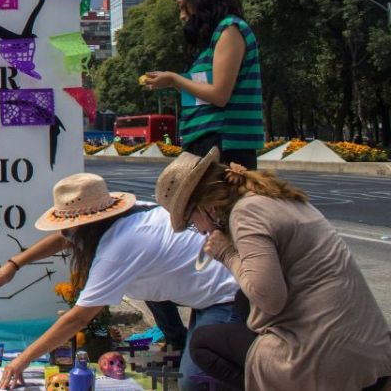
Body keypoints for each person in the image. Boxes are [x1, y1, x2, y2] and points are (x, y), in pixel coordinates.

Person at [156, 149, 391, 390]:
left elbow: (270, 299)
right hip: (371, 350)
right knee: (241, 301)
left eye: (192, 222)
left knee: (201, 343)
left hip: (329, 359)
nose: (201, 230)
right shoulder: (270, 196)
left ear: (207, 207)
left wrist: (227, 254)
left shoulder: (246, 213)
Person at [0, 174, 239, 391]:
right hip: (202, 282)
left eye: (71, 226)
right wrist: (15, 264)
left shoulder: (119, 248)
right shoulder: (122, 215)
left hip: (226, 296)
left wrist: (21, 360)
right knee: (147, 284)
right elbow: (63, 239)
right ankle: (179, 341)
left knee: (196, 380)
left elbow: (78, 318)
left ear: (86, 225)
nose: (69, 233)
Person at [142, 0, 262, 169]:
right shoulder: (214, 38)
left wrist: (174, 79)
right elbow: (205, 95)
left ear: (199, 0)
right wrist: (173, 83)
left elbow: (219, 94)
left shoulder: (229, 30)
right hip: (209, 140)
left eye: (183, 7)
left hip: (223, 142)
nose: (182, 16)